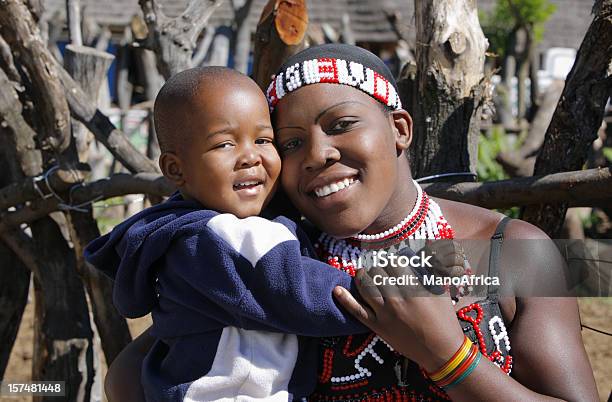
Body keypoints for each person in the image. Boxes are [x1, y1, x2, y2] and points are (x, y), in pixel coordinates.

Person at [103, 45, 599, 401]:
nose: (318, 154)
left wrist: (449, 357)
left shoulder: (508, 251)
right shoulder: (281, 257)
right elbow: (127, 378)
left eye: (341, 125)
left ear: (399, 129)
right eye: (291, 143)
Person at [85, 66, 372, 401]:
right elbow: (306, 293)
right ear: (176, 169)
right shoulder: (216, 240)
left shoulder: (184, 230)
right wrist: (424, 274)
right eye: (224, 144)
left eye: (264, 140)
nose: (250, 157)